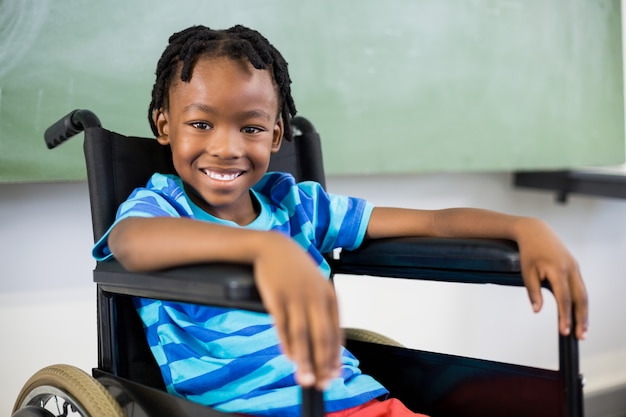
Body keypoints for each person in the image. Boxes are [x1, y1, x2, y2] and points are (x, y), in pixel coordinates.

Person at [93, 25, 588, 417]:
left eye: (251, 127)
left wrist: (525, 228)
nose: (226, 147)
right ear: (164, 125)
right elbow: (132, 243)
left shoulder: (297, 206)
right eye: (201, 124)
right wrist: (265, 249)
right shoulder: (160, 206)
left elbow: (434, 222)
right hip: (242, 410)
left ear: (275, 135)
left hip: (358, 401)